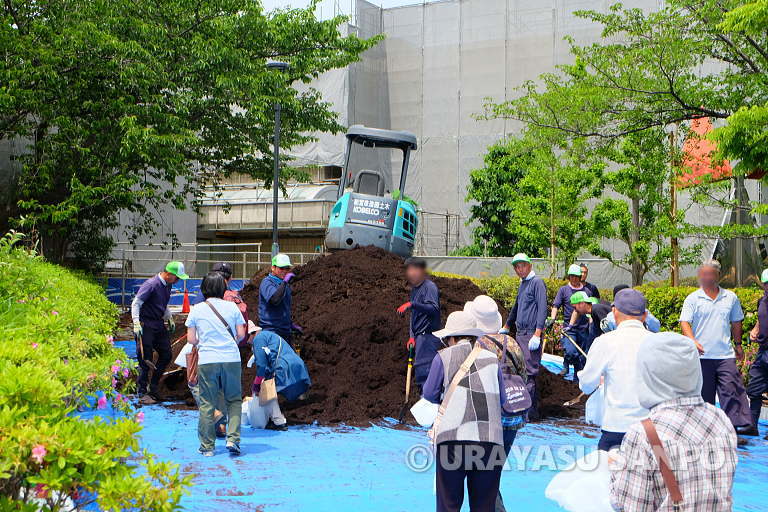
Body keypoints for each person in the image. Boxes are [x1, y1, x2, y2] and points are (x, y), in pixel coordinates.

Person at [610, 332, 738, 511]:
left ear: (648, 375)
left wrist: (617, 473)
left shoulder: (644, 434)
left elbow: (630, 506)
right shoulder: (720, 419)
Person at [422, 311, 508, 512]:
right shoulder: (492, 359)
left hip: (452, 439)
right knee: (484, 506)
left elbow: (429, 394)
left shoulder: (442, 358)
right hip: (490, 441)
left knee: (449, 505)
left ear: (452, 338)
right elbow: (502, 400)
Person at [465, 295, 527, 512]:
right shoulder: (512, 342)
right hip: (512, 418)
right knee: (493, 472)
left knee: (481, 476)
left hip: (488, 421)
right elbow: (525, 378)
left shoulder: (478, 346)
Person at [679, 259, 753, 434]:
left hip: (725, 355)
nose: (707, 278)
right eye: (704, 274)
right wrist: (692, 340)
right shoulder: (693, 298)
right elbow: (685, 322)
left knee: (731, 391)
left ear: (718, 275)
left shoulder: (730, 297)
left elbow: (736, 322)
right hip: (702, 356)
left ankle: (732, 430)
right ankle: (705, 431)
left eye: (711, 274)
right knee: (704, 396)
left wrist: (738, 345)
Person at [578, 289, 650, 451]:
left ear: (614, 312)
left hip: (616, 428)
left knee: (610, 474)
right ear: (644, 315)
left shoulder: (604, 342)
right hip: (651, 430)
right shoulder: (658, 343)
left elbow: (587, 385)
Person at [186, 272, 247, 456]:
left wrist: (206, 342)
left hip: (208, 360)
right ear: (223, 289)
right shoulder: (232, 308)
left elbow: (191, 339)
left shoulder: (196, 309)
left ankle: (207, 447)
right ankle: (233, 439)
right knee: (234, 400)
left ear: (204, 288)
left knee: (207, 403)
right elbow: (242, 334)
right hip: (231, 359)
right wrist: (229, 344)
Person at [131, 261, 189, 404]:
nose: (178, 281)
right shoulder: (151, 285)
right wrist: (136, 322)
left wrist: (169, 318)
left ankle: (154, 386)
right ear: (169, 274)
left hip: (158, 323)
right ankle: (142, 392)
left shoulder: (167, 286)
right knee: (146, 358)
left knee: (166, 354)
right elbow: (136, 303)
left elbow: (163, 304)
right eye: (177, 278)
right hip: (146, 323)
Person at [501, 253, 547, 419]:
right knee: (521, 371)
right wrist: (507, 325)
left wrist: (538, 333)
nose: (520, 269)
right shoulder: (523, 285)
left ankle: (530, 413)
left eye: (522, 266)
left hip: (530, 334)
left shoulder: (537, 283)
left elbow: (542, 308)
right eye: (517, 267)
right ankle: (523, 410)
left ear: (529, 266)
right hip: (520, 333)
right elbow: (516, 307)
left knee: (530, 371)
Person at [397, 257, 441, 388]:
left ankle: (427, 402)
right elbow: (414, 315)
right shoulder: (415, 289)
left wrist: (413, 304)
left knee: (426, 376)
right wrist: (412, 337)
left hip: (429, 337)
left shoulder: (429, 287)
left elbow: (434, 309)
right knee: (421, 374)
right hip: (420, 338)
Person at [552, 264, 594, 383]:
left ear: (580, 277)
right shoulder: (564, 290)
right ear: (569, 277)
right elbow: (556, 306)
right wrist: (552, 318)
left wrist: (591, 326)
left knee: (583, 355)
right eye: (572, 276)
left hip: (584, 329)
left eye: (576, 276)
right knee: (571, 352)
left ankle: (577, 378)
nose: (574, 279)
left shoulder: (587, 291)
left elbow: (590, 310)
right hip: (569, 329)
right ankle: (568, 365)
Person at [248, 326, 288, 431]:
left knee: (268, 390)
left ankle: (279, 422)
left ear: (252, 333)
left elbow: (261, 366)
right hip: (285, 367)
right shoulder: (266, 336)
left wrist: (256, 384)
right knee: (269, 391)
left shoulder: (258, 339)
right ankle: (277, 420)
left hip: (282, 369)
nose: (248, 341)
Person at [746, 268, 768, 435]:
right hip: (763, 351)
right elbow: (761, 320)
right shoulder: (762, 301)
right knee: (754, 388)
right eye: (766, 284)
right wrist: (755, 329)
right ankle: (752, 426)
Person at [259, 253, 295, 345]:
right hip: (271, 332)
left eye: (287, 268)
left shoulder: (284, 285)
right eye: (281, 268)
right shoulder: (267, 282)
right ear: (273, 268)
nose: (284, 271)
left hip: (284, 331)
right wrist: (285, 282)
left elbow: (285, 307)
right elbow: (275, 299)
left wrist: (290, 324)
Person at [213, 262, 252, 346]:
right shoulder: (235, 295)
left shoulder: (209, 294)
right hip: (236, 342)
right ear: (231, 278)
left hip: (219, 342)